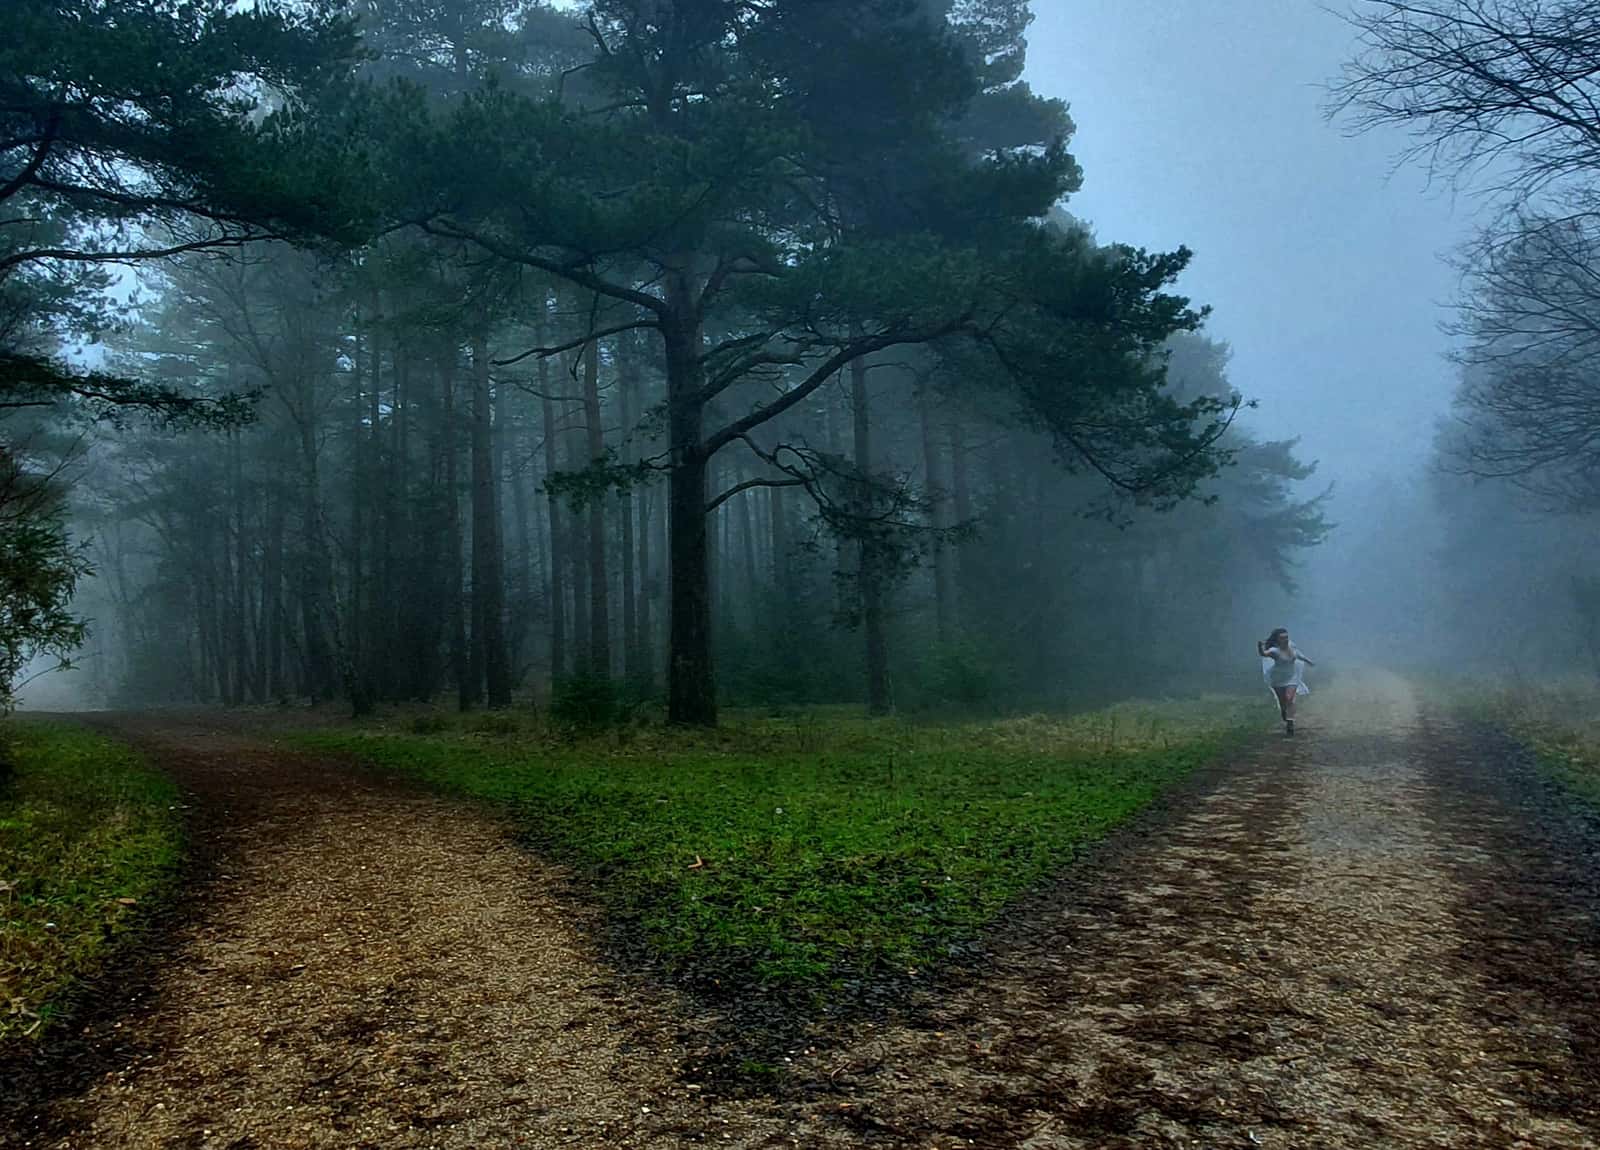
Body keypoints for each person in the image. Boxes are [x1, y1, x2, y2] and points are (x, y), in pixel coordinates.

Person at [1257, 627, 1314, 736]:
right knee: (1282, 701)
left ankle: (1290, 722)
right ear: (1277, 640)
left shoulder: (1291, 647)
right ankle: (1285, 714)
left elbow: (1299, 655)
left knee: (1289, 698)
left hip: (1292, 677)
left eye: (1286, 637)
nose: (1286, 639)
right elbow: (1263, 654)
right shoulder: (1274, 651)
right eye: (1282, 638)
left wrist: (1309, 661)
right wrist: (1260, 647)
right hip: (1277, 678)